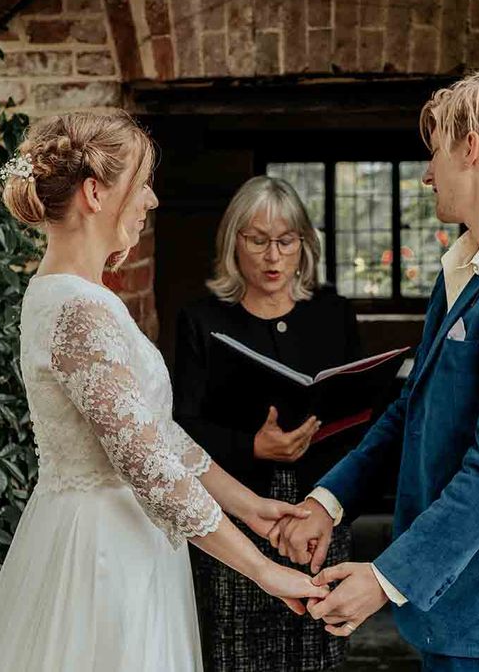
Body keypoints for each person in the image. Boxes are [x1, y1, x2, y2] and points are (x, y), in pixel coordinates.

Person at [0, 112, 327, 671]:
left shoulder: (78, 297)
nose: (152, 201)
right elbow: (146, 464)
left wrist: (250, 507)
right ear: (94, 194)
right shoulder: (78, 309)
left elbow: (157, 433)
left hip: (129, 539)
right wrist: (263, 570)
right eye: (141, 186)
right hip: (103, 555)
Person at [270, 72, 479, 672]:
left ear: (470, 147)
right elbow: (412, 410)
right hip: (445, 609)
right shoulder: (466, 267)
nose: (426, 173)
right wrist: (329, 501)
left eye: (435, 150)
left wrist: (386, 576)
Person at [173, 175, 361, 671]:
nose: (273, 256)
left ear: (305, 244)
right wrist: (252, 447)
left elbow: (364, 416)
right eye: (257, 240)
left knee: (317, 639)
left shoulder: (333, 313)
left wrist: (331, 499)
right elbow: (180, 428)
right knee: (236, 646)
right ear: (233, 242)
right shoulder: (201, 319)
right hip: (234, 510)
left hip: (317, 506)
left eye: (285, 241)